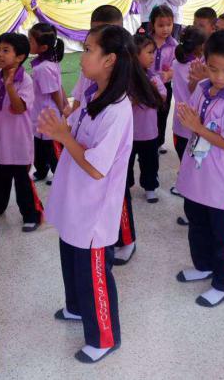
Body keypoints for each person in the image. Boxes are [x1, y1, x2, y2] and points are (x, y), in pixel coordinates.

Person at [39, 25, 158, 364]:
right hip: (75, 199)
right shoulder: (93, 94)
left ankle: (105, 337)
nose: (83, 55)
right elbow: (78, 136)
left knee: (93, 273)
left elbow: (95, 167)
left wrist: (63, 136)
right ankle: (76, 307)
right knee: (71, 258)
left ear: (109, 60)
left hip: (93, 208)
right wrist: (62, 128)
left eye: (89, 49)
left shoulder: (116, 110)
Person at [175, 30, 224, 307]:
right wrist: (192, 123)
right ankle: (204, 265)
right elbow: (191, 117)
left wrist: (197, 127)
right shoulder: (202, 88)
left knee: (223, 235)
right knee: (197, 224)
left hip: (221, 182)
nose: (219, 76)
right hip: (196, 175)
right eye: (213, 68)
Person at [116, 33, 166, 265]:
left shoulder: (153, 78)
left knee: (149, 161)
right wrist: (136, 98)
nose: (153, 57)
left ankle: (150, 186)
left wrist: (149, 93)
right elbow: (123, 103)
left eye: (154, 52)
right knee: (126, 163)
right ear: (134, 56)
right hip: (129, 134)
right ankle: (126, 185)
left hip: (148, 132)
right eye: (149, 53)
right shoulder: (125, 80)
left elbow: (161, 99)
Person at [0, 32, 45, 232]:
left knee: (22, 183)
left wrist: (10, 87)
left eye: (6, 50)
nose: (0, 54)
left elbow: (19, 108)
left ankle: (31, 215)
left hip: (19, 142)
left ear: (20, 56)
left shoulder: (25, 80)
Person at [67, 5, 124, 115]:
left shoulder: (127, 72)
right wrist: (71, 121)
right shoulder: (88, 70)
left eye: (109, 34)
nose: (102, 40)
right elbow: (78, 100)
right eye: (96, 32)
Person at [29, 22, 66, 183]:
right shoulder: (46, 63)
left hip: (48, 115)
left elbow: (55, 91)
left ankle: (58, 174)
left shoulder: (43, 68)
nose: (28, 43)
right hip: (40, 113)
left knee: (51, 148)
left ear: (43, 47)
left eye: (31, 41)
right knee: (39, 146)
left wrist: (62, 109)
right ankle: (41, 170)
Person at [171, 26, 208, 163]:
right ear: (201, 47)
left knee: (183, 160)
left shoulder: (176, 63)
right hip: (196, 123)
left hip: (179, 122)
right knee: (195, 164)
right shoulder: (200, 67)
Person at [149, 5, 178, 155]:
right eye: (161, 25)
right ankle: (145, 141)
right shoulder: (146, 42)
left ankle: (159, 142)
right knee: (147, 115)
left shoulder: (174, 45)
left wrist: (169, 74)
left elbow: (176, 67)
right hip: (146, 86)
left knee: (162, 115)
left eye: (169, 24)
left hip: (165, 88)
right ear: (152, 25)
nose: (165, 29)